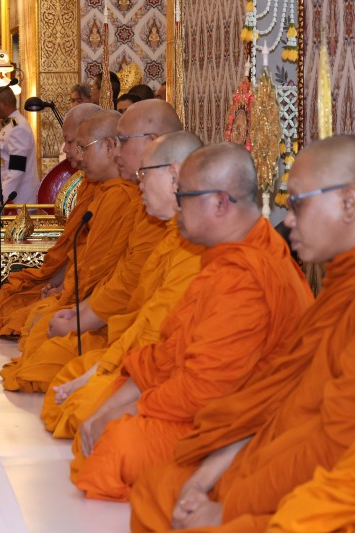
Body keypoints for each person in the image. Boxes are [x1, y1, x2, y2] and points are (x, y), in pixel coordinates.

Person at [129, 135, 355, 531]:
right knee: (158, 488)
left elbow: (334, 447)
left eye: (297, 203)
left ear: (349, 202)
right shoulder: (338, 295)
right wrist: (208, 478)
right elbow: (279, 407)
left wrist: (230, 507)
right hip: (280, 459)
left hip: (324, 490)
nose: (288, 220)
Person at [71, 142, 313, 502]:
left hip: (240, 424)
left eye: (183, 196)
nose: (177, 205)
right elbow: (168, 352)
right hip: (204, 406)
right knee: (102, 420)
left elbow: (205, 388)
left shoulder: (245, 275)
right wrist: (111, 409)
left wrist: (128, 411)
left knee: (118, 448)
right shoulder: (223, 259)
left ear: (219, 203)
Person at [0, 99, 182, 393]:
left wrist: (80, 319)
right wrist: (75, 308)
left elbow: (134, 291)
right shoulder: (139, 202)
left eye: (123, 141)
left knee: (48, 360)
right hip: (124, 324)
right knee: (39, 338)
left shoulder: (145, 206)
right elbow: (116, 273)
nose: (117, 151)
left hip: (137, 334)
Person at [41, 131, 205, 439]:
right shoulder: (172, 236)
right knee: (66, 392)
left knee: (89, 418)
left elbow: (159, 339)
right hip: (138, 356)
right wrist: (100, 365)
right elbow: (141, 315)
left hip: (175, 377)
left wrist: (104, 376)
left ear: (174, 175)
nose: (140, 183)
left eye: (145, 174)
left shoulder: (196, 248)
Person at [0, 103, 101, 336]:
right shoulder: (90, 187)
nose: (65, 149)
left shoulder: (19, 128)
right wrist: (58, 284)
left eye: (70, 142)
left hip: (92, 296)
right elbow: (75, 248)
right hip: (75, 284)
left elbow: (99, 263)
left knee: (31, 322)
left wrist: (65, 290)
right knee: (11, 298)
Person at [0, 85, 39, 205]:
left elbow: (16, 169)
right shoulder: (9, 126)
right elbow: (5, 159)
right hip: (9, 197)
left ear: (5, 104)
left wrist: (2, 199)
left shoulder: (18, 128)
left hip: (17, 201)